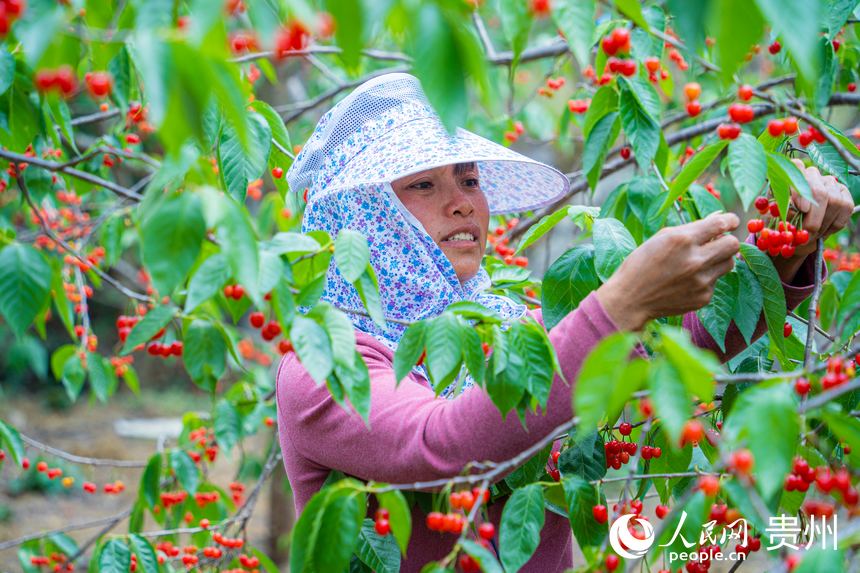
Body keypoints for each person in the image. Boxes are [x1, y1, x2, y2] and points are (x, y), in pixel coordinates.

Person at [275, 72, 853, 572]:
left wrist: (785, 254)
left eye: (469, 179)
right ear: (364, 214)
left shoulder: (503, 322)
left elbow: (666, 351)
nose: (463, 204)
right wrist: (618, 304)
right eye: (423, 184)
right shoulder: (324, 362)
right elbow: (438, 445)